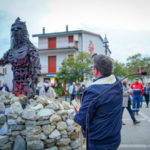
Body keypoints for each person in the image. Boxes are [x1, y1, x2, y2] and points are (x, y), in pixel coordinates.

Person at [74, 41, 123, 150]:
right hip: (115, 138)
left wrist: (76, 113)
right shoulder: (117, 83)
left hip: (99, 143)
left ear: (95, 71)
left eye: (92, 67)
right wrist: (93, 53)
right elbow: (106, 67)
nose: (92, 69)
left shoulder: (93, 91)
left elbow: (81, 119)